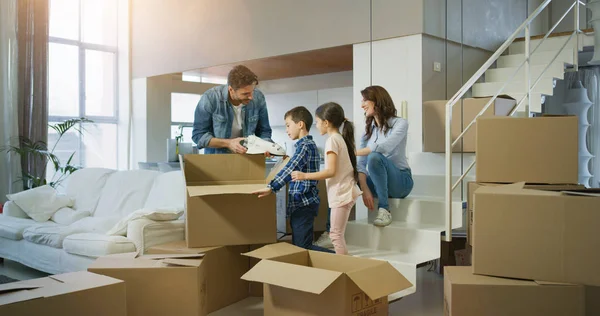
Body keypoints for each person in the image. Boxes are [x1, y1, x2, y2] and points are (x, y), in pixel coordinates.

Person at [252, 107, 333, 253]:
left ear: (300, 124)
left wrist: (271, 187)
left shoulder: (305, 146)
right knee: (299, 247)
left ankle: (337, 259)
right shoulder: (304, 146)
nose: (287, 130)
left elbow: (291, 168)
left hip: (304, 204)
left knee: (303, 247)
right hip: (301, 204)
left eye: (288, 125)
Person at [292, 102, 361, 255]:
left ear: (326, 122)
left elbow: (330, 171)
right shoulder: (338, 138)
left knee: (335, 235)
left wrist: (304, 176)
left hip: (342, 193)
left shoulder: (332, 141)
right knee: (337, 234)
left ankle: (344, 268)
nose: (316, 125)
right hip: (345, 191)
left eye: (317, 122)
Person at [356, 86, 413, 227]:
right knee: (347, 175)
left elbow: (384, 147)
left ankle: (384, 209)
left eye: (365, 100)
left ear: (377, 101)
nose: (361, 105)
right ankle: (331, 229)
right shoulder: (368, 132)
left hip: (401, 182)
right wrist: (364, 189)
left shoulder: (400, 123)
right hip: (378, 181)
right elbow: (361, 165)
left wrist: (354, 152)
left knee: (374, 157)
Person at [192, 65, 272, 154]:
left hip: (249, 159)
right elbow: (198, 136)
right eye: (245, 94)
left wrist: (266, 146)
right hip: (218, 161)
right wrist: (229, 143)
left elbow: (264, 131)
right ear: (231, 90)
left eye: (252, 91)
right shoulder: (210, 98)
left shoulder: (258, 97)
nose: (251, 97)